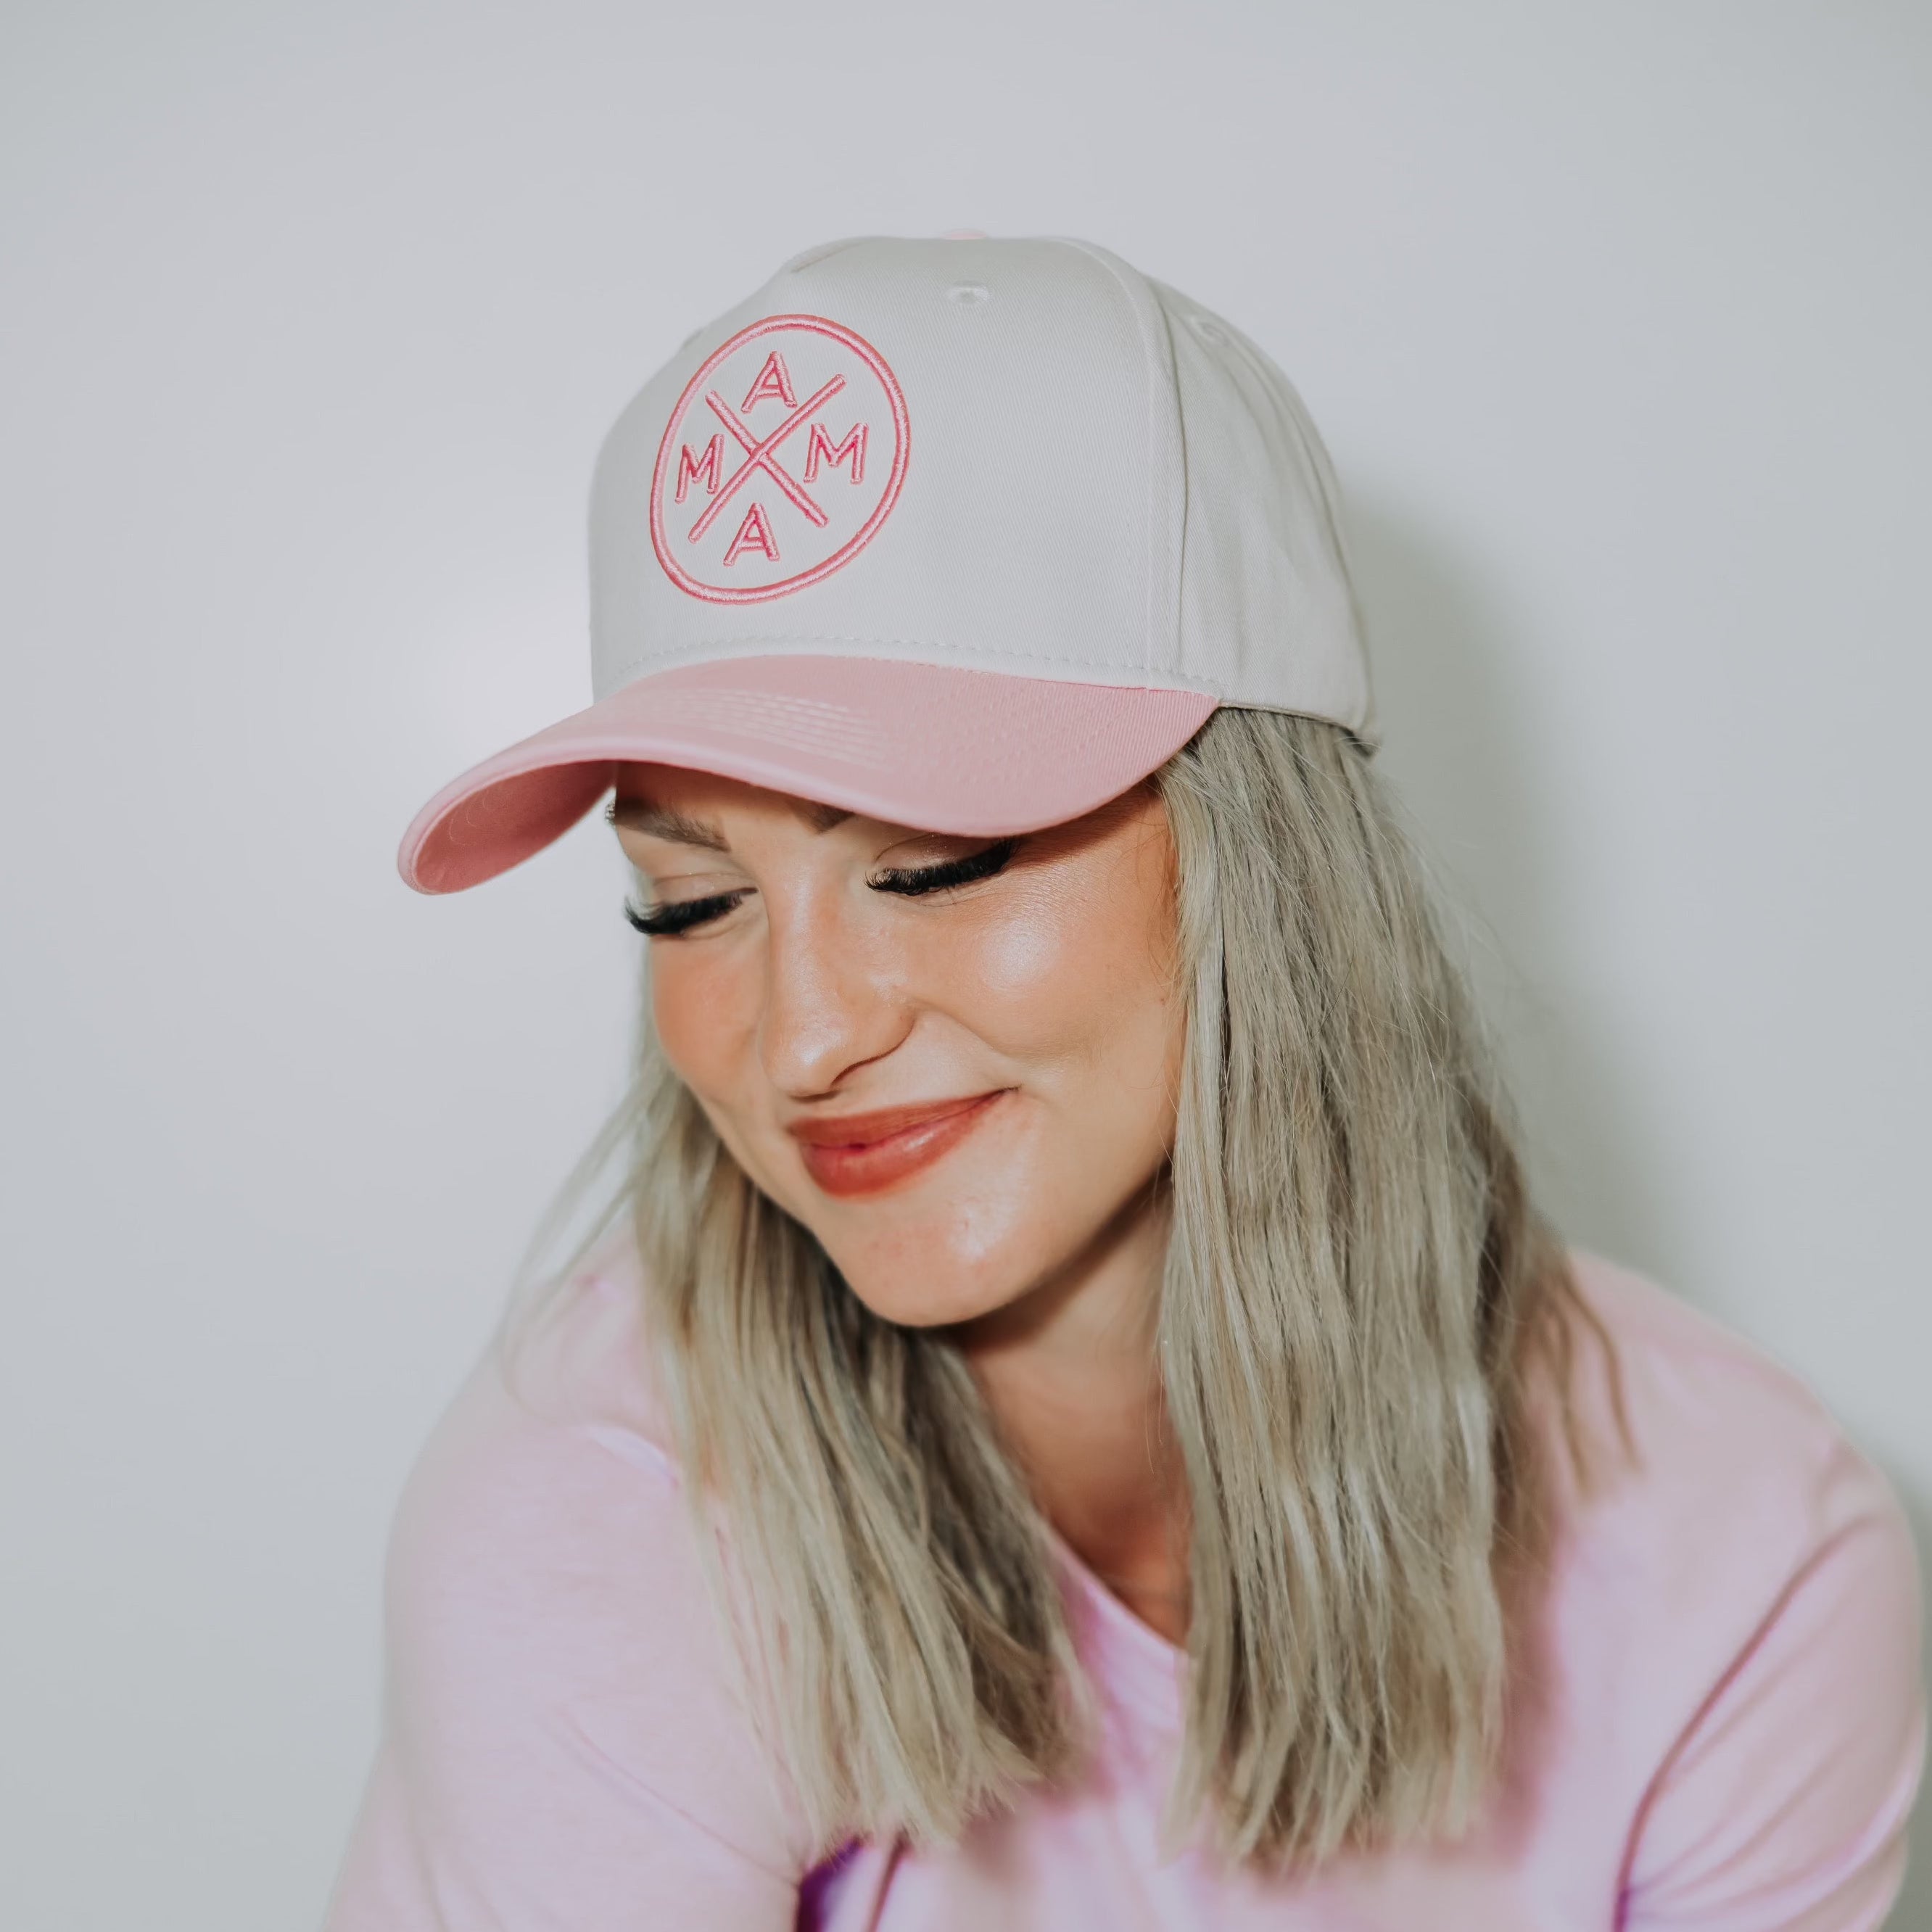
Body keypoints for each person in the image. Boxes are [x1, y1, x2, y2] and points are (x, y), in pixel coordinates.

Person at [324, 236, 1925, 1929]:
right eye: (692, 902)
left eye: (932, 865)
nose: (801, 1041)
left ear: (1270, 861)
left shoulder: (1741, 1553)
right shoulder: (601, 1510)